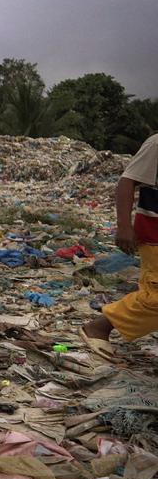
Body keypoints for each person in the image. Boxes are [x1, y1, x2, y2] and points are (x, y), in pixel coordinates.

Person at [80, 132, 158, 361]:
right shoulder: (156, 144)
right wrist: (124, 226)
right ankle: (99, 327)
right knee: (155, 298)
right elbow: (127, 181)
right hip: (155, 237)